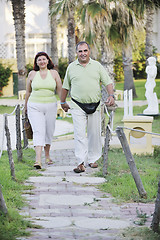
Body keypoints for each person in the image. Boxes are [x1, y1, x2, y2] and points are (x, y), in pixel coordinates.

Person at [60, 41, 115, 173]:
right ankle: (80, 162)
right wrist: (62, 102)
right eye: (80, 51)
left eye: (85, 51)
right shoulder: (71, 67)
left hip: (95, 105)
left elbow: (107, 82)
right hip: (77, 105)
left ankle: (92, 159)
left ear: (89, 51)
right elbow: (65, 87)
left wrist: (111, 95)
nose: (83, 53)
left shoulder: (97, 66)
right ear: (77, 53)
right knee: (79, 134)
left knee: (94, 134)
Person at [25, 52, 62, 169]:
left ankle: (47, 155)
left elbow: (60, 89)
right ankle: (38, 160)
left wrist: (63, 103)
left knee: (49, 131)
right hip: (35, 106)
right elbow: (28, 92)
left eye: (44, 59)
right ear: (36, 62)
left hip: (51, 105)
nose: (42, 61)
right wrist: (25, 107)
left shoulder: (54, 73)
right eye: (39, 60)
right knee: (38, 131)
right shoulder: (32, 74)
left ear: (48, 61)